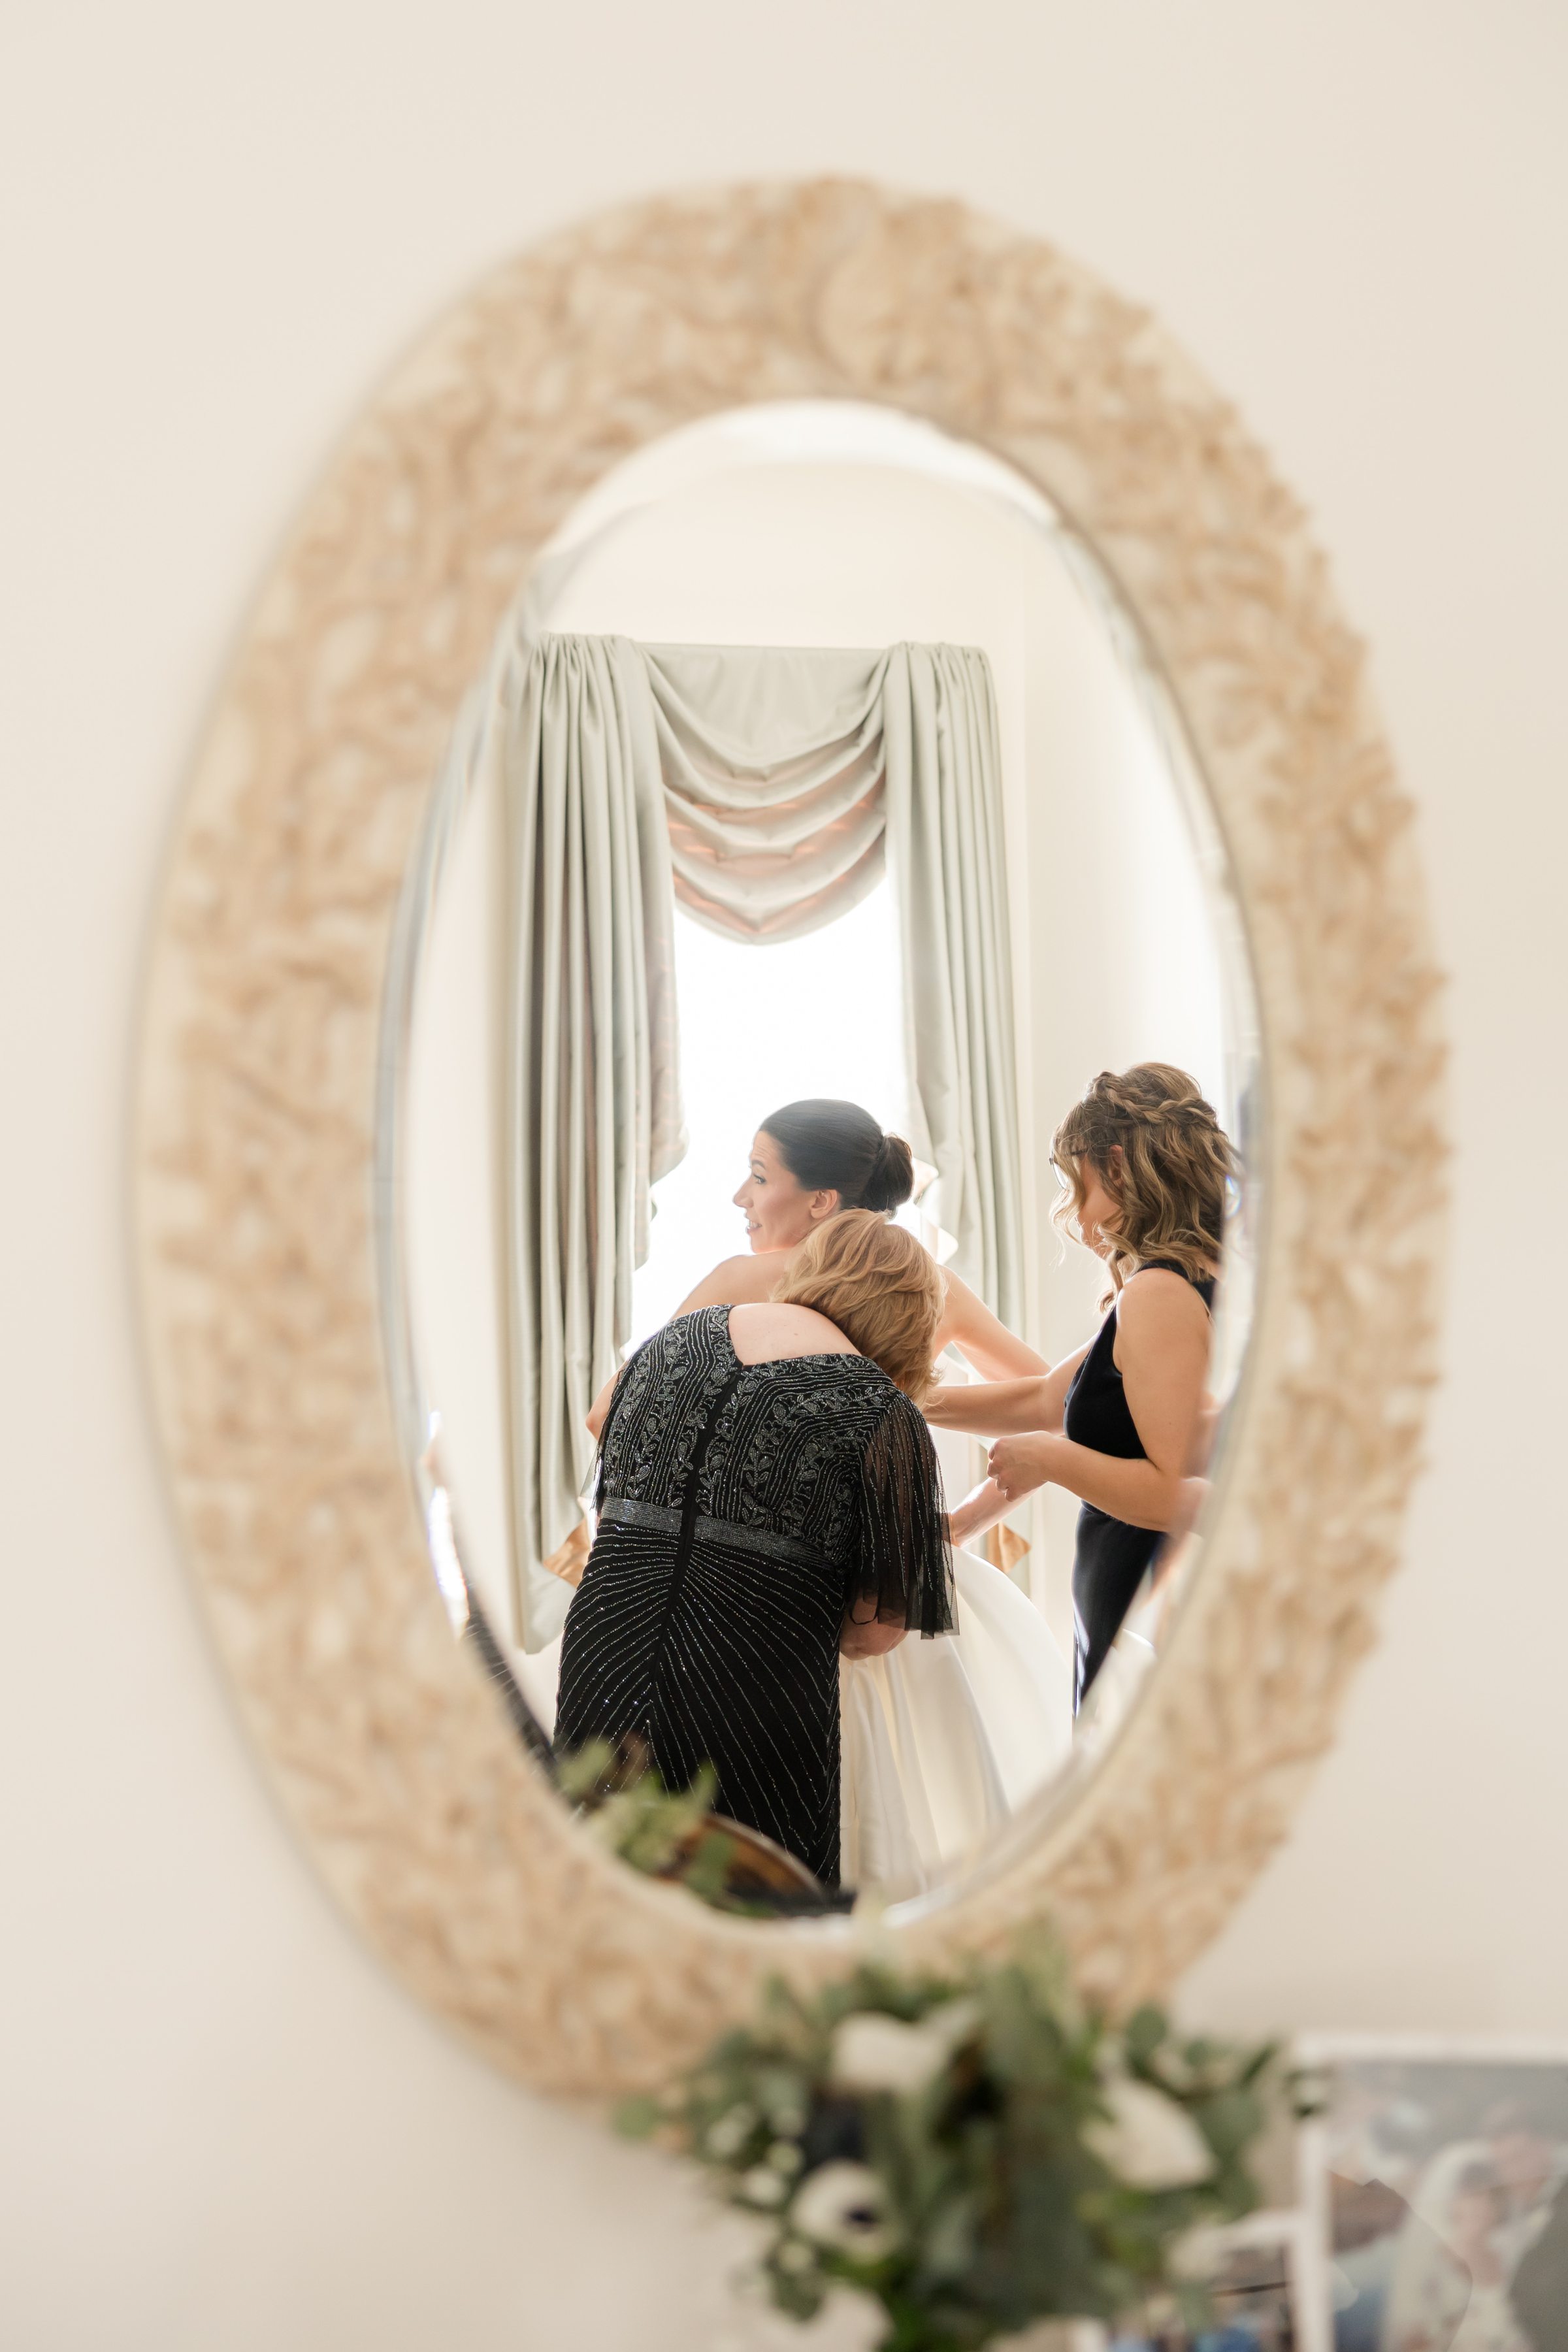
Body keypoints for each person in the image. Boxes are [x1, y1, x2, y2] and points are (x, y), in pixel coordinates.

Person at [555, 1213, 955, 1888]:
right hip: (752, 1696)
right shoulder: (883, 1413)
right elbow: (873, 1633)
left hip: (605, 1652)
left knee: (601, 1887)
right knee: (753, 1913)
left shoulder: (671, 1341)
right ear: (910, 1320)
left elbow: (613, 1498)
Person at [926, 1064, 1235, 1708]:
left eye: (1077, 1186)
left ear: (1118, 1169)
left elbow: (1173, 1490)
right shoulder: (1179, 1280)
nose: (1072, 1212)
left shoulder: (1159, 1293)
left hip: (1147, 1605)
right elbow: (1043, 1400)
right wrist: (906, 1402)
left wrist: (1053, 1459)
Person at [672, 1097, 1051, 1383]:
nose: (741, 1197)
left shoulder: (739, 1280)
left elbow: (621, 1401)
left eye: (759, 1177)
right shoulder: (935, 1289)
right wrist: (913, 1404)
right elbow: (1056, 1407)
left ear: (821, 1200)